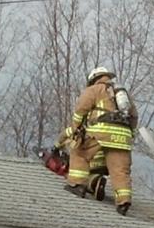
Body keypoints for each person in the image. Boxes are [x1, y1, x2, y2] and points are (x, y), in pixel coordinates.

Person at [58, 66, 138, 215]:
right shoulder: (122, 93)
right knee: (120, 170)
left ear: (93, 79)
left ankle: (77, 184)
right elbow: (133, 116)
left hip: (102, 132)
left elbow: (80, 110)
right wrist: (130, 134)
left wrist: (76, 127)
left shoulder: (94, 90)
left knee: (79, 152)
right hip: (123, 136)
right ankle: (123, 201)